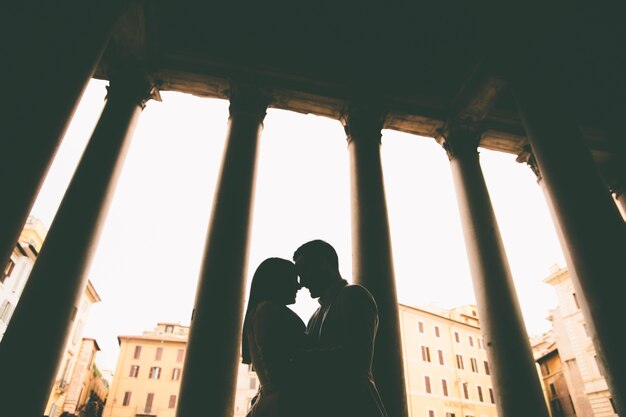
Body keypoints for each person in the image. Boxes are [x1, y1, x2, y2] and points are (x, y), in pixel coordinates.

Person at [294, 239, 389, 417]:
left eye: (304, 272)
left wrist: (297, 357)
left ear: (322, 264)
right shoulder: (314, 316)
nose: (301, 282)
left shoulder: (354, 295)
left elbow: (358, 356)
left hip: (356, 406)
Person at [241, 257, 307, 417]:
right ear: (277, 282)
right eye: (293, 279)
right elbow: (278, 368)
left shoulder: (261, 311)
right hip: (284, 405)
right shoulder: (268, 311)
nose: (299, 285)